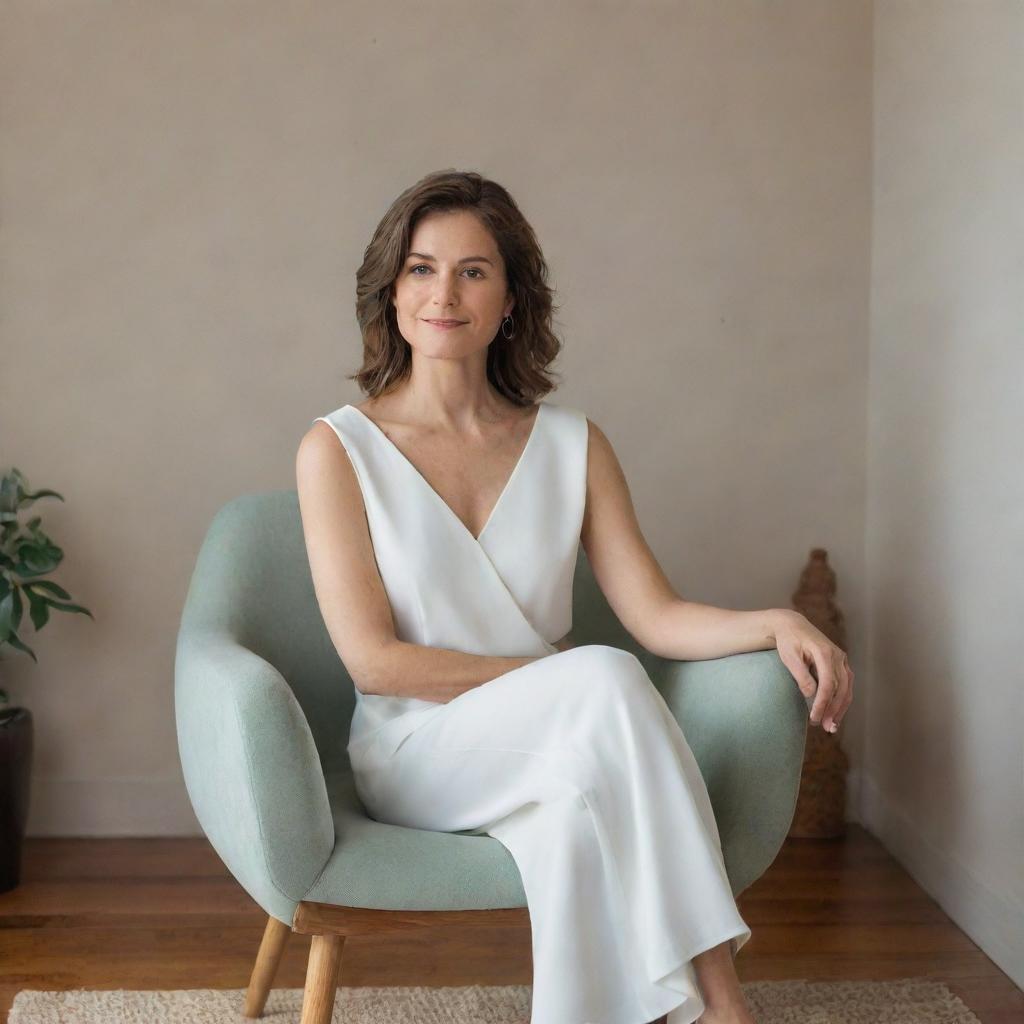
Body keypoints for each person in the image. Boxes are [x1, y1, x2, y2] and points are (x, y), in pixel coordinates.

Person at [296, 169, 854, 1024]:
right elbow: (374, 663)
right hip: (416, 753)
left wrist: (776, 619)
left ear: (512, 299)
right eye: (421, 268)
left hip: (567, 736)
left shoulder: (573, 444)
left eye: (474, 270)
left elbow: (657, 616)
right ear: (391, 288)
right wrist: (553, 684)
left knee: (571, 827)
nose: (444, 293)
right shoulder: (337, 449)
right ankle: (725, 1005)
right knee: (599, 676)